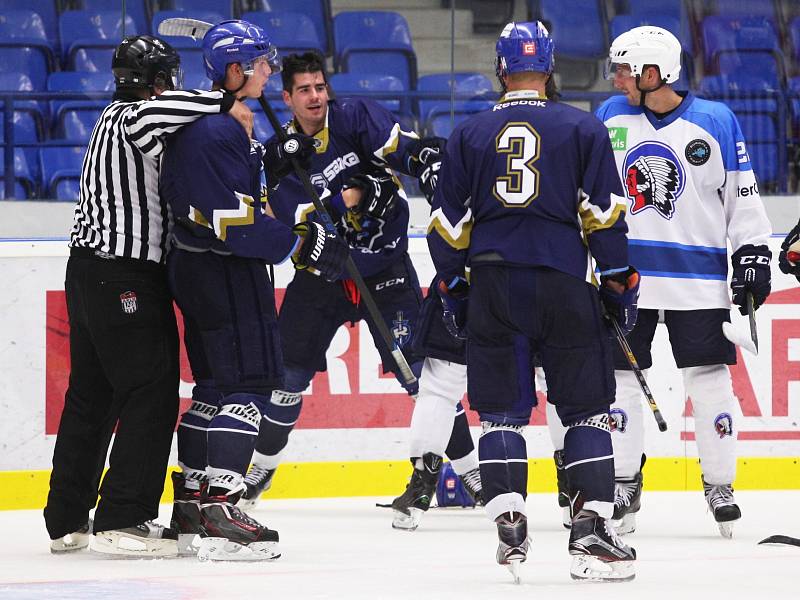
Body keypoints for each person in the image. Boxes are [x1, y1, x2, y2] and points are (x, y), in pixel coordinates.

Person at [428, 21, 638, 583]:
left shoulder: (468, 134)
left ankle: (510, 521)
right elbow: (604, 218)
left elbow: (447, 228)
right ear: (550, 68)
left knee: (500, 413)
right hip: (564, 282)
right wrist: (619, 285)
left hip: (495, 284)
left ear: (500, 68)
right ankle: (591, 532)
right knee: (586, 409)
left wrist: (456, 288)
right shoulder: (582, 128)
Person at [238, 52, 483, 530]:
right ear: (286, 98)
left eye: (320, 87)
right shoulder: (277, 158)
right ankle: (261, 468)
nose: (316, 97)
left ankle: (472, 476)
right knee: (286, 378)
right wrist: (346, 197)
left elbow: (403, 151)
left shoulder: (354, 117)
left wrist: (426, 163)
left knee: (422, 377)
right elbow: (299, 230)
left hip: (385, 269)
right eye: (304, 90)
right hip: (323, 281)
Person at [43, 34, 253, 558]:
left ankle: (66, 519)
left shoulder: (106, 121)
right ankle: (125, 517)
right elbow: (181, 108)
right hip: (126, 277)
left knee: (91, 396)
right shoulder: (134, 117)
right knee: (152, 390)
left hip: (89, 275)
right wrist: (227, 94)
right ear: (159, 81)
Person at [160, 21, 348, 562]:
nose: (270, 71)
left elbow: (227, 189)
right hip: (225, 270)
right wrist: (294, 245)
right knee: (248, 383)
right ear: (237, 70)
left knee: (214, 389)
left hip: (203, 270)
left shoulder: (219, 126)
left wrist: (269, 157)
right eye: (261, 64)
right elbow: (227, 214)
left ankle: (194, 505)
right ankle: (222, 509)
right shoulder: (217, 130)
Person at [587, 26, 772, 539]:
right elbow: (593, 196)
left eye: (625, 69)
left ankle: (719, 485)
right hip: (627, 280)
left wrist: (753, 256)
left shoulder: (715, 121)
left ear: (653, 73)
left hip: (698, 283)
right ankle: (625, 481)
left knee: (710, 383)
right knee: (621, 383)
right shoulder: (609, 118)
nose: (617, 78)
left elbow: (742, 199)